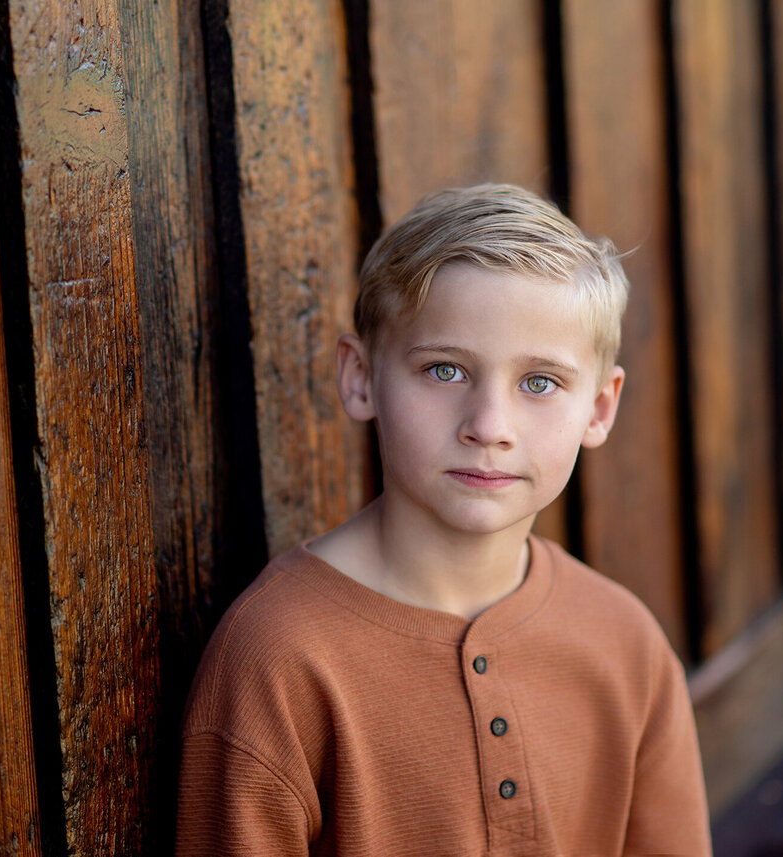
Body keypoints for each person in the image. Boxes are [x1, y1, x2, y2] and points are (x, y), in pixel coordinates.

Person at [176, 184, 712, 856]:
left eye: (539, 382)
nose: (489, 426)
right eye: (445, 370)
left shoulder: (626, 643)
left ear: (600, 408)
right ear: (361, 377)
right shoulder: (278, 656)